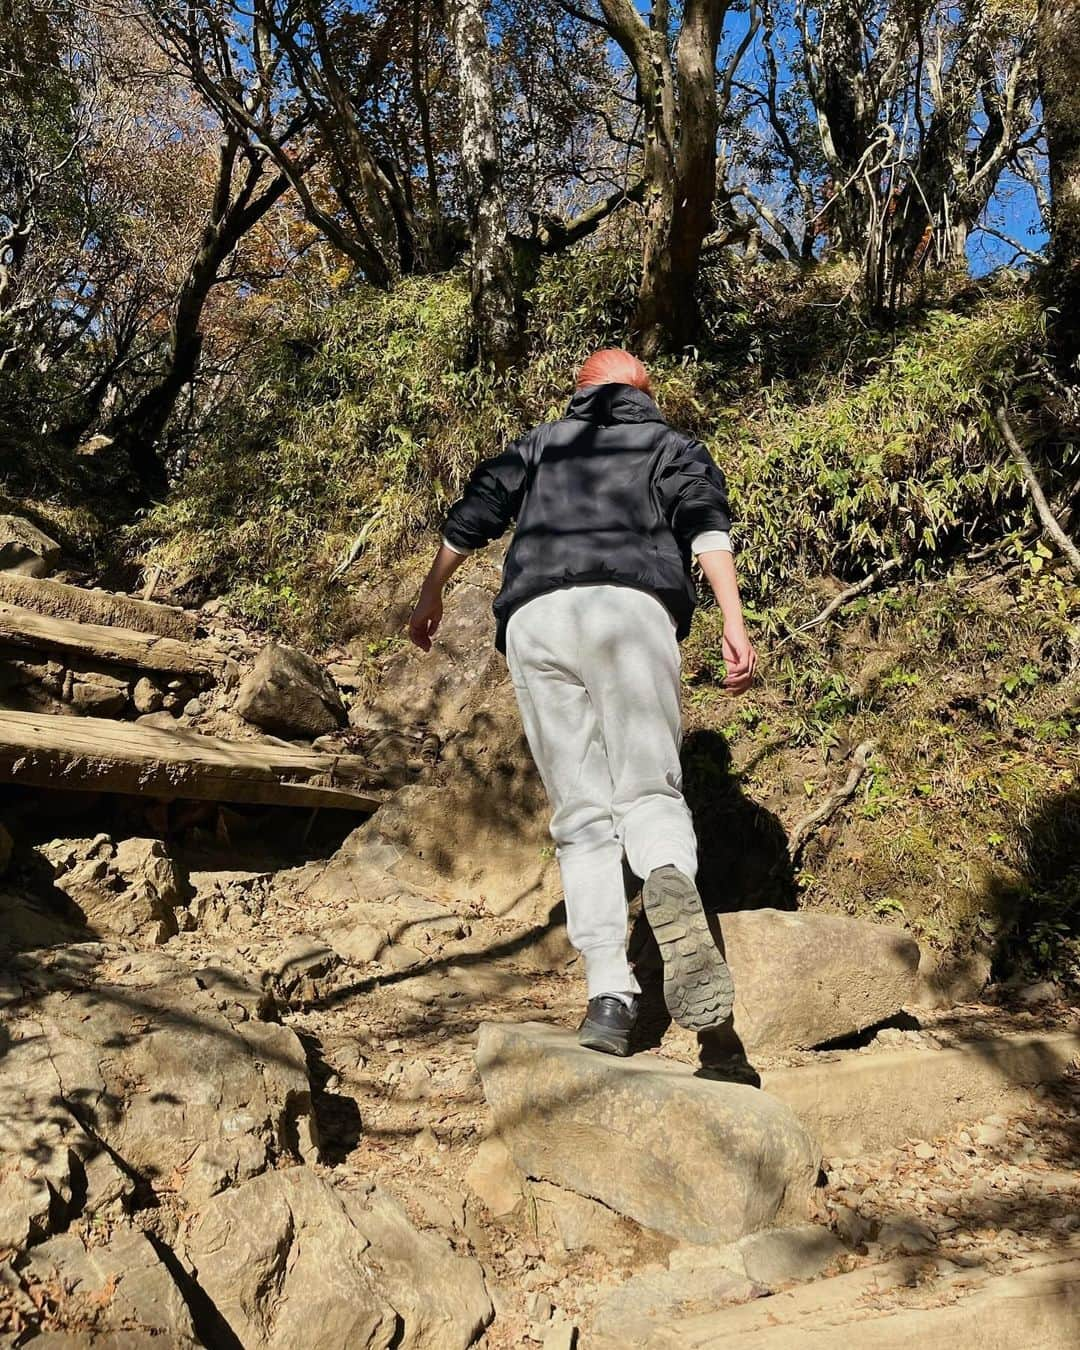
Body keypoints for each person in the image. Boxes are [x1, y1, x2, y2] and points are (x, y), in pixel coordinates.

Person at [408, 348, 757, 1056]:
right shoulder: (668, 445)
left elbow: (476, 513)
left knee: (581, 814)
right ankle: (664, 874)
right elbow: (703, 522)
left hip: (537, 620)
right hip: (628, 612)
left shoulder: (539, 445)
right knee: (648, 791)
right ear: (643, 391)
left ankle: (608, 997)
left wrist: (432, 590)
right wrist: (733, 616)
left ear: (580, 392)